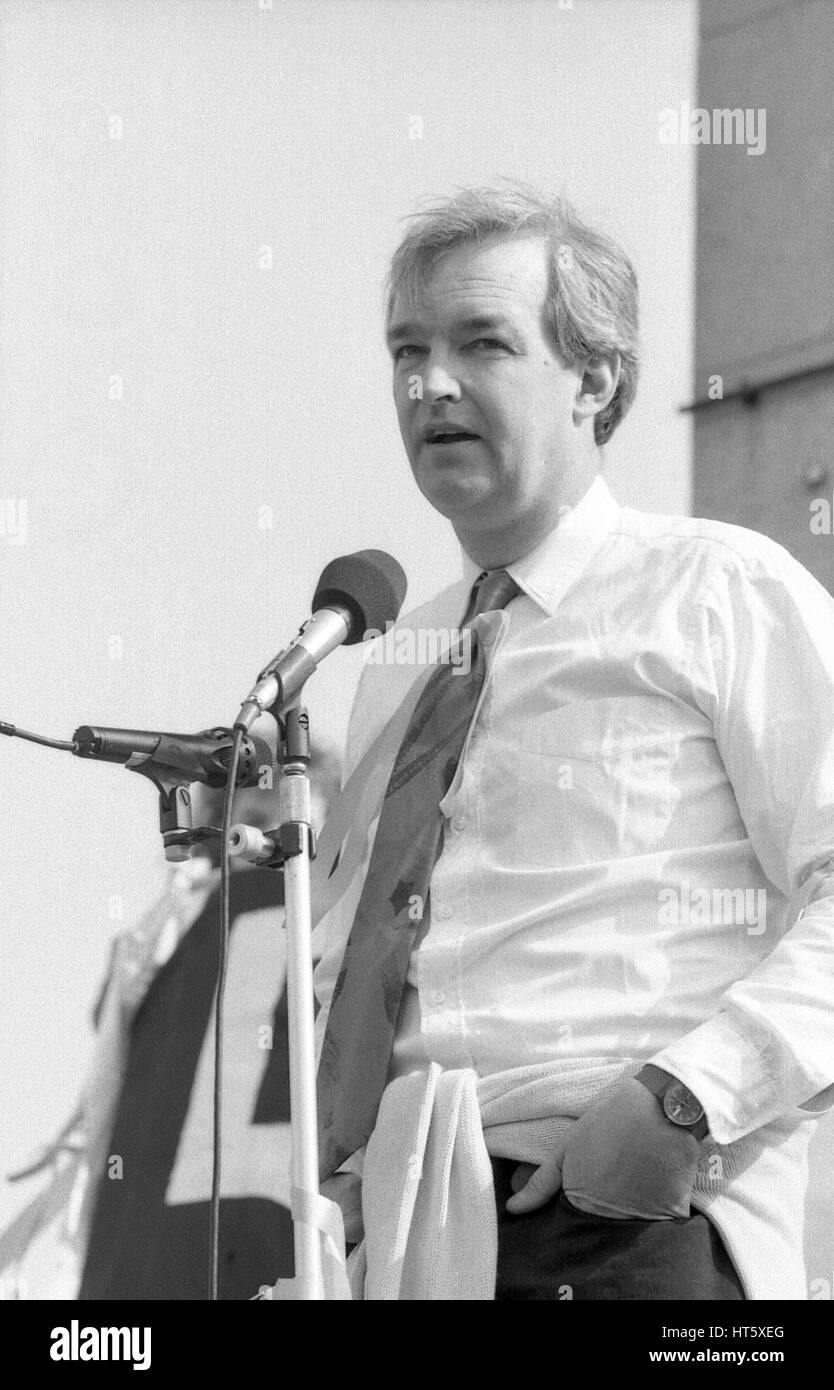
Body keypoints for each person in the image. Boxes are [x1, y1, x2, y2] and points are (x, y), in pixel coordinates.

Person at [312, 182, 834, 1301]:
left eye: (482, 343)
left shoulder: (717, 590)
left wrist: (679, 1102)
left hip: (624, 1219)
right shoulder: (397, 660)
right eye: (407, 349)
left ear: (595, 379)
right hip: (407, 1242)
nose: (428, 383)